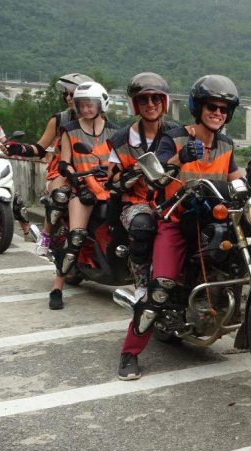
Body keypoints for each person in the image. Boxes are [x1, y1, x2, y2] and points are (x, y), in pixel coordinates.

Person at [118, 74, 244, 381]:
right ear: (197, 107)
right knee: (160, 288)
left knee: (248, 259)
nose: (218, 113)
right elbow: (154, 177)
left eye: (224, 109)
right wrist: (179, 157)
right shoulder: (174, 137)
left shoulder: (226, 144)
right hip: (176, 220)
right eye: (212, 106)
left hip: (214, 222)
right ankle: (129, 353)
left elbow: (236, 179)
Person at [6, 73, 95, 263]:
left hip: (91, 170)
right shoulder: (60, 119)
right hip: (61, 170)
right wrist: (19, 148)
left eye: (73, 94)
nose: (69, 98)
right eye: (66, 95)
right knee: (60, 193)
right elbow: (40, 148)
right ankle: (45, 236)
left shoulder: (98, 119)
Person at [107, 72, 178, 301]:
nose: (150, 104)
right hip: (137, 203)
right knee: (142, 226)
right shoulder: (122, 139)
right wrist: (136, 171)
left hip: (171, 201)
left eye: (155, 99)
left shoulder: (178, 133)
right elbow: (112, 181)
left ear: (164, 102)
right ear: (135, 104)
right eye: (143, 100)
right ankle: (141, 286)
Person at [54, 82, 118, 310]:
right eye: (82, 104)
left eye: (90, 104)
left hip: (110, 188)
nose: (86, 108)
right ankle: (57, 287)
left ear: (101, 104)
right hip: (82, 187)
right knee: (76, 236)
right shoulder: (69, 130)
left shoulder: (116, 132)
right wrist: (78, 184)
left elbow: (122, 160)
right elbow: (64, 163)